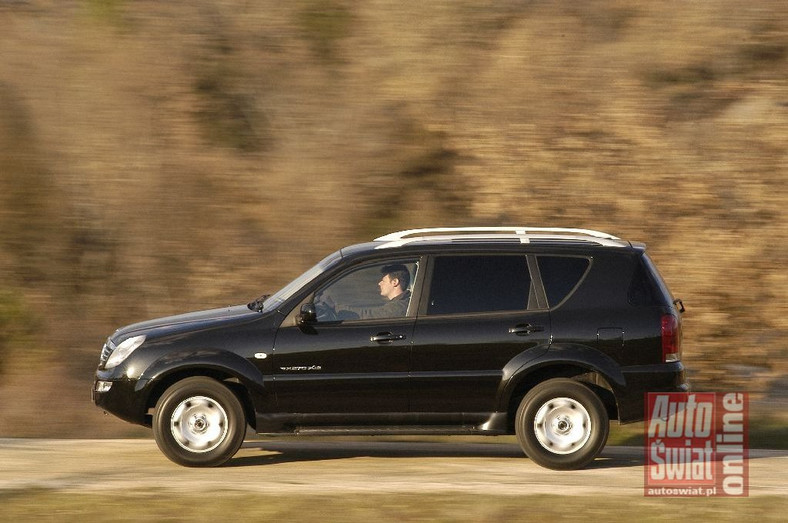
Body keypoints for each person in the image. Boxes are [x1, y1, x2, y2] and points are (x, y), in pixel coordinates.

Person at [323, 264, 411, 320]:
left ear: (394, 282)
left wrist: (335, 308)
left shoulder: (399, 306)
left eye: (383, 280)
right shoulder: (401, 302)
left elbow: (368, 315)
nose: (379, 283)